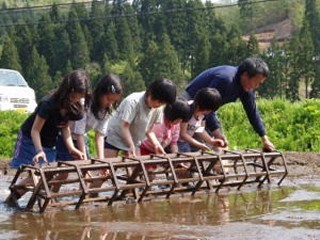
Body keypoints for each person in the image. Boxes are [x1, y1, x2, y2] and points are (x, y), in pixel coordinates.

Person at [183, 57, 275, 151]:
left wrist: (264, 138)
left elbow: (252, 112)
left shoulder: (246, 87)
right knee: (193, 143)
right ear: (245, 75)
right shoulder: (225, 80)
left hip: (206, 111)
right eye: (256, 82)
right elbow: (207, 105)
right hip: (191, 103)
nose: (257, 86)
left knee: (219, 148)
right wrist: (216, 133)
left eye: (260, 84)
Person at [10, 69, 91, 168]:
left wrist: (71, 148)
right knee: (24, 169)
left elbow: (65, 128)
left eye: (79, 98)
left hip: (49, 142)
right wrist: (39, 151)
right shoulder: (48, 104)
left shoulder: (74, 107)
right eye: (73, 97)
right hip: (30, 139)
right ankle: (19, 184)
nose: (75, 100)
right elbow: (35, 130)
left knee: (46, 173)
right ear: (66, 90)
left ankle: (31, 184)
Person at [56, 74, 123, 161]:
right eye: (108, 99)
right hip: (65, 138)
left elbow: (100, 135)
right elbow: (79, 133)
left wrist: (102, 160)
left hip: (82, 139)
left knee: (85, 169)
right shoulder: (84, 104)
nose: (110, 103)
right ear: (101, 92)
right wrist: (85, 162)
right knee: (65, 171)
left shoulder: (107, 110)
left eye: (113, 101)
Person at [105, 78, 177, 158]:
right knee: (108, 167)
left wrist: (156, 144)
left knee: (137, 167)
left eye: (163, 103)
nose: (159, 104)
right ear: (150, 93)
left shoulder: (158, 108)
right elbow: (124, 126)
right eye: (158, 101)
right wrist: (131, 145)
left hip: (134, 140)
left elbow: (149, 130)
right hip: (115, 135)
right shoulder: (133, 102)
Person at [178, 88, 224, 152]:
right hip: (177, 141)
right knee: (187, 153)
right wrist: (199, 145)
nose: (209, 112)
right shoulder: (188, 110)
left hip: (186, 141)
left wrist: (211, 141)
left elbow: (200, 130)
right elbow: (183, 134)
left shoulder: (203, 114)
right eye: (209, 110)